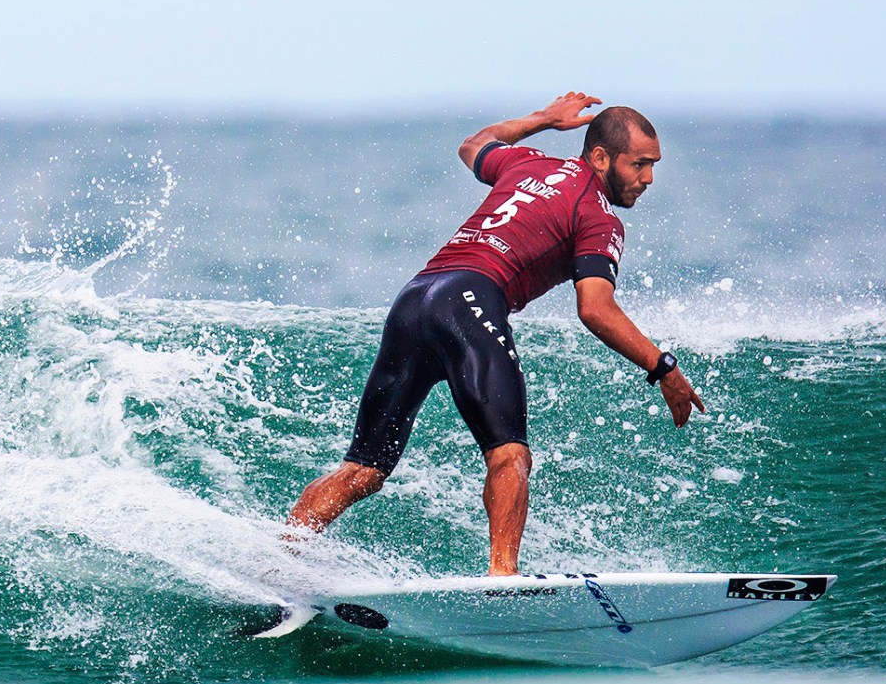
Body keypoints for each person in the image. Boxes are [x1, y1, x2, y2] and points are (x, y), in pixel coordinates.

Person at [286, 92, 705, 575]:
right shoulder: (598, 215)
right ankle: (502, 577)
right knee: (509, 456)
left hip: (415, 298)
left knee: (364, 470)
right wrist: (663, 366)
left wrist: (544, 120)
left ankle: (281, 557)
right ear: (600, 157)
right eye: (640, 165)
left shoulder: (527, 164)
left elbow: (474, 144)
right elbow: (595, 308)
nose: (648, 178)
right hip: (470, 301)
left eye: (653, 165)